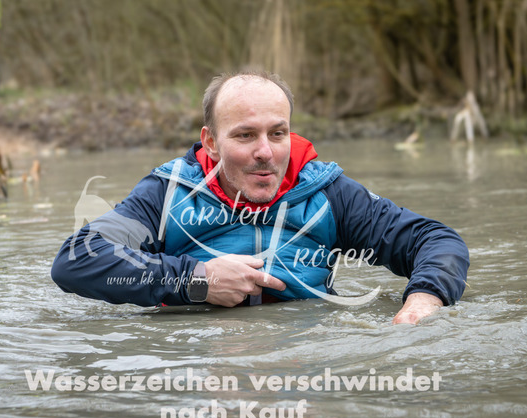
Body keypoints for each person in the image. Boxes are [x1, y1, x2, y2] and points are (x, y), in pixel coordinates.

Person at [51, 71, 470, 325]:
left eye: (277, 133)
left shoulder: (329, 193)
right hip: (195, 361)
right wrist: (196, 280)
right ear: (210, 142)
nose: (266, 152)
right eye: (245, 135)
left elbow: (436, 240)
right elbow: (77, 259)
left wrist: (424, 298)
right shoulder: (166, 195)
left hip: (309, 356)